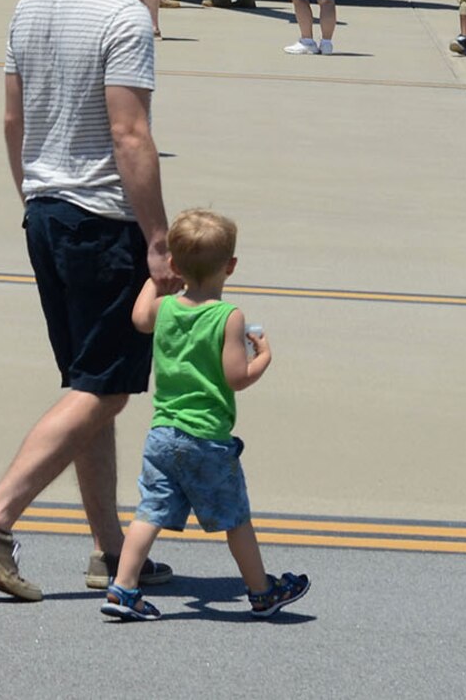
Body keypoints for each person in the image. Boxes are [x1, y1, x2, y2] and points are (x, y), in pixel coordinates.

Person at [0, 0, 176, 603]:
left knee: (88, 382)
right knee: (105, 386)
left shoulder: (32, 3)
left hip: (46, 210)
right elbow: (130, 133)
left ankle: (111, 549)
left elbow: (12, 121)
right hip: (102, 217)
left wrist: (34, 195)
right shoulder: (123, 13)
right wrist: (160, 240)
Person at [99, 209, 310, 622]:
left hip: (163, 433)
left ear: (174, 265)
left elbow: (138, 317)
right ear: (230, 267)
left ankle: (123, 588)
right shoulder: (227, 317)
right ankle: (261, 591)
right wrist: (263, 357)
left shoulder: (164, 309)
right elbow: (236, 376)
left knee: (151, 511)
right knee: (235, 518)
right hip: (207, 438)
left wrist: (155, 280)